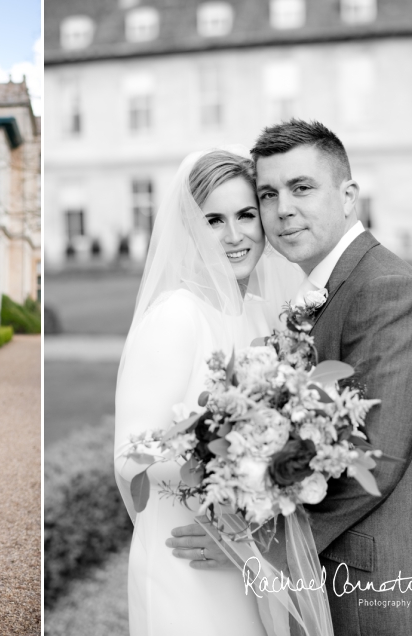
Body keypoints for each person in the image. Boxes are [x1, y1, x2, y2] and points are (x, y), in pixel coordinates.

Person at [170, 120, 412, 635]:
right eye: (268, 193)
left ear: (348, 196)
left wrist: (247, 540)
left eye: (301, 187)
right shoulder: (331, 288)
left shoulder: (385, 291)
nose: (282, 208)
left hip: (382, 581)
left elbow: (379, 457)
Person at [114, 149, 303, 635]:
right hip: (188, 550)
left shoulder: (266, 315)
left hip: (250, 548)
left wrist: (255, 507)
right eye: (214, 220)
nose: (235, 236)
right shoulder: (175, 316)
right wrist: (230, 471)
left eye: (245, 215)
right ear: (190, 229)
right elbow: (132, 453)